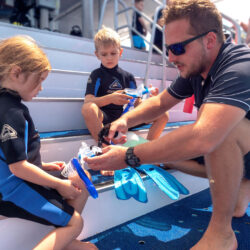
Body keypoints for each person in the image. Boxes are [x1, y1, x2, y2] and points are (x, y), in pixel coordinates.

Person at [84, 0, 250, 249]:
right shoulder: (196, 67)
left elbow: (203, 138)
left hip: (236, 142)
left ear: (210, 40)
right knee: (169, 155)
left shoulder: (239, 66)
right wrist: (125, 119)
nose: (170, 57)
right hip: (244, 151)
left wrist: (130, 155)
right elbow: (160, 102)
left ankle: (221, 234)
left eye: (178, 48)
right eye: (167, 48)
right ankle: (242, 182)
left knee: (218, 130)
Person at [0, 36, 97, 250]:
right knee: (76, 222)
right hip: (12, 190)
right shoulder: (12, 112)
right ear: (16, 73)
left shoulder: (6, 106)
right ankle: (67, 233)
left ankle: (64, 236)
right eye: (39, 80)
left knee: (82, 178)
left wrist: (42, 167)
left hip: (12, 182)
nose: (41, 88)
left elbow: (8, 157)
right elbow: (17, 168)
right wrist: (58, 184)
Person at [82, 27, 169, 175]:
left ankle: (148, 151)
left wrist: (149, 98)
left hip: (124, 119)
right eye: (104, 54)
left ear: (120, 52)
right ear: (97, 55)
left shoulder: (128, 76)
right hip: (105, 119)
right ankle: (103, 155)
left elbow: (138, 104)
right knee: (88, 109)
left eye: (113, 53)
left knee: (163, 115)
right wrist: (111, 98)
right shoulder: (97, 75)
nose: (109, 58)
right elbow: (88, 101)